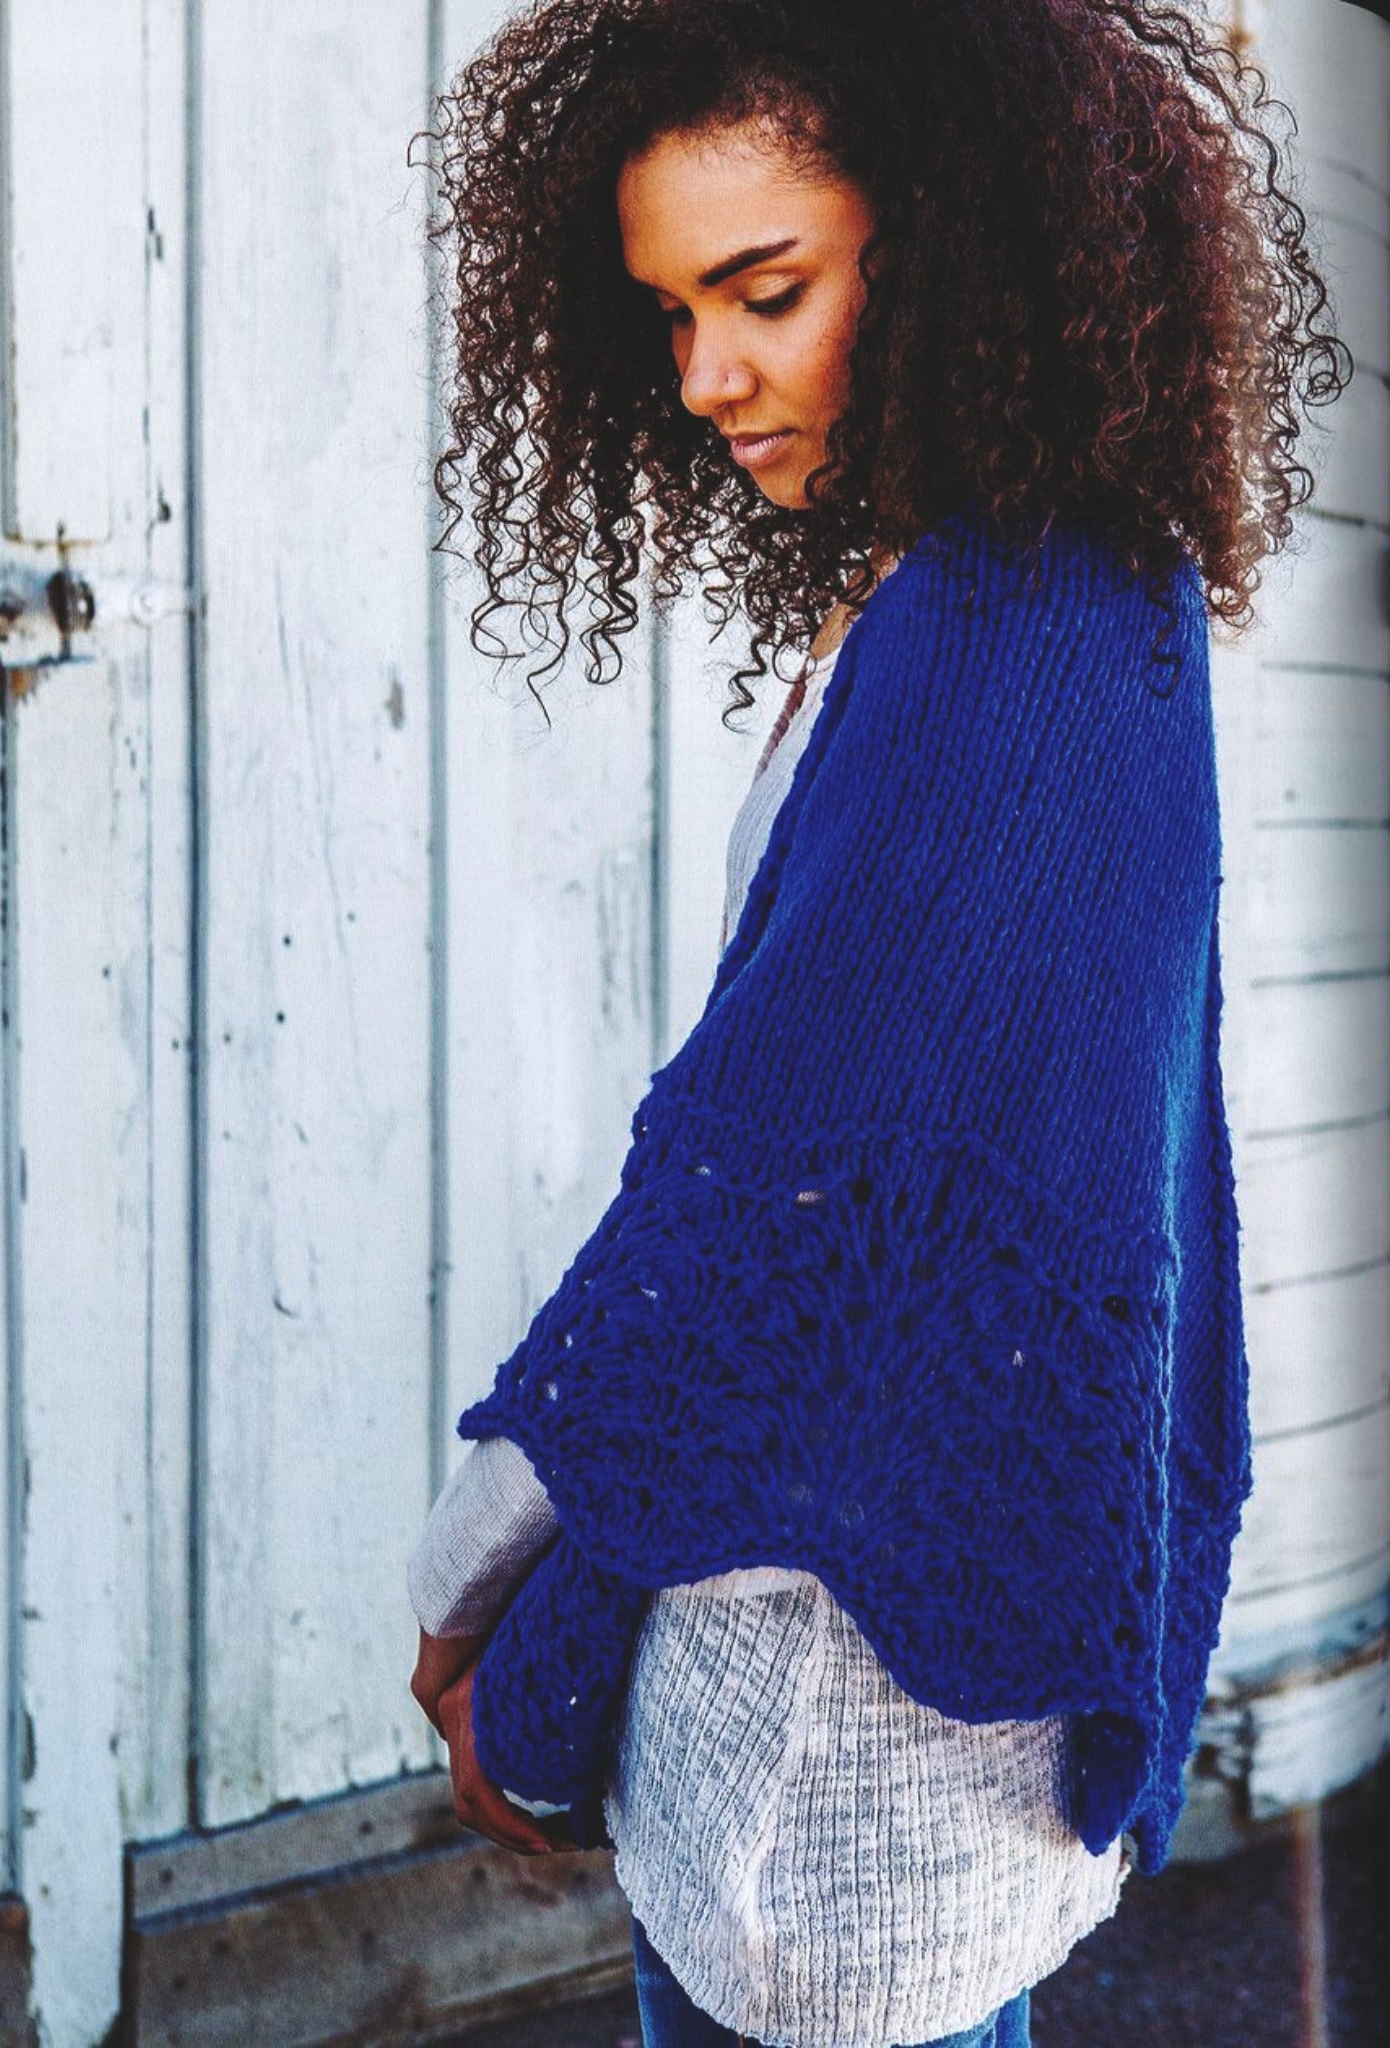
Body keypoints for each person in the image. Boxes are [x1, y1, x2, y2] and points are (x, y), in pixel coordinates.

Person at [405, 4, 1348, 2044]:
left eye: (765, 288)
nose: (706, 375)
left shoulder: (1008, 642)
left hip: (837, 1786)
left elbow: (760, 1203)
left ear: (960, 243)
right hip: (826, 1732)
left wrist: (464, 1569)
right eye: (667, 312)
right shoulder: (1011, 590)